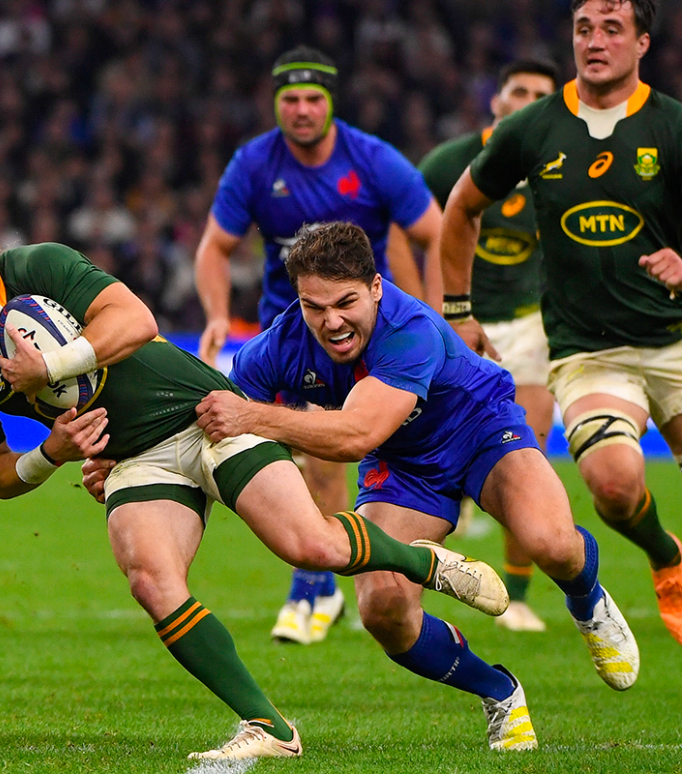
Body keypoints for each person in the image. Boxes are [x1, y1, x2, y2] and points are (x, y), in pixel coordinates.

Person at [0, 216, 508, 761]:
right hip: (133, 458)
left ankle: (423, 561)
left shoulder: (36, 267)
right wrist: (53, 452)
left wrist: (54, 367)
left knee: (308, 545)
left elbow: (136, 320)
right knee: (151, 579)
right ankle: (269, 727)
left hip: (205, 413)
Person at [193, 221, 638, 750]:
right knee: (382, 608)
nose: (331, 321)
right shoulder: (277, 346)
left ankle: (587, 600)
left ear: (376, 288)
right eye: (315, 306)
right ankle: (499, 691)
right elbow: (208, 415)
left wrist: (256, 419)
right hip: (403, 462)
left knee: (551, 544)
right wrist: (120, 459)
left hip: (480, 429)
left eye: (346, 302)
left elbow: (356, 434)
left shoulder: (410, 329)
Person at [441, 0, 682, 645]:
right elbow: (459, 208)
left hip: (678, 341)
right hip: (589, 351)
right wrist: (458, 311)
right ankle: (666, 554)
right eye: (584, 29)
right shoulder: (535, 128)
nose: (596, 41)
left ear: (642, 43)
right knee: (613, 485)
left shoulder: (673, 127)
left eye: (612, 29)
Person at [195, 45, 445, 645]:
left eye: (313, 99)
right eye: (290, 99)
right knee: (306, 445)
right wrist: (212, 316)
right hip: (291, 332)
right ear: (275, 104)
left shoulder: (374, 161)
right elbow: (213, 248)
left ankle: (318, 581)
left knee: (333, 445)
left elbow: (434, 233)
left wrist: (444, 319)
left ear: (331, 103)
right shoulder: (254, 165)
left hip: (369, 331)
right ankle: (315, 583)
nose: (302, 110)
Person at [418, 59, 559, 632]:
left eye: (540, 95)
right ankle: (411, 579)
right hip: (455, 323)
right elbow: (412, 231)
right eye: (517, 90)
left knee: (530, 446)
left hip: (530, 322)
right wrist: (434, 314)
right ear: (496, 100)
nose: (526, 101)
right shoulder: (450, 164)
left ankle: (517, 596)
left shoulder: (563, 165)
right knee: (431, 455)